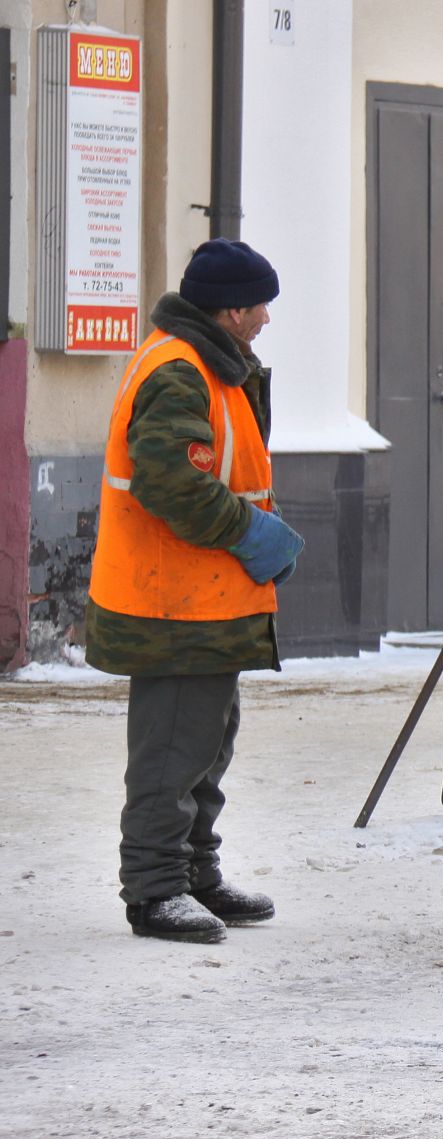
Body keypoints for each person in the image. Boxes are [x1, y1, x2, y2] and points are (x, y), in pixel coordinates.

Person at [87, 238, 295, 943]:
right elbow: (172, 483)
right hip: (171, 602)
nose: (266, 317)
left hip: (206, 597)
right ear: (231, 310)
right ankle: (154, 890)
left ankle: (194, 874)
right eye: (260, 305)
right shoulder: (180, 371)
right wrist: (251, 533)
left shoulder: (210, 362)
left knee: (207, 743)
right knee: (173, 749)